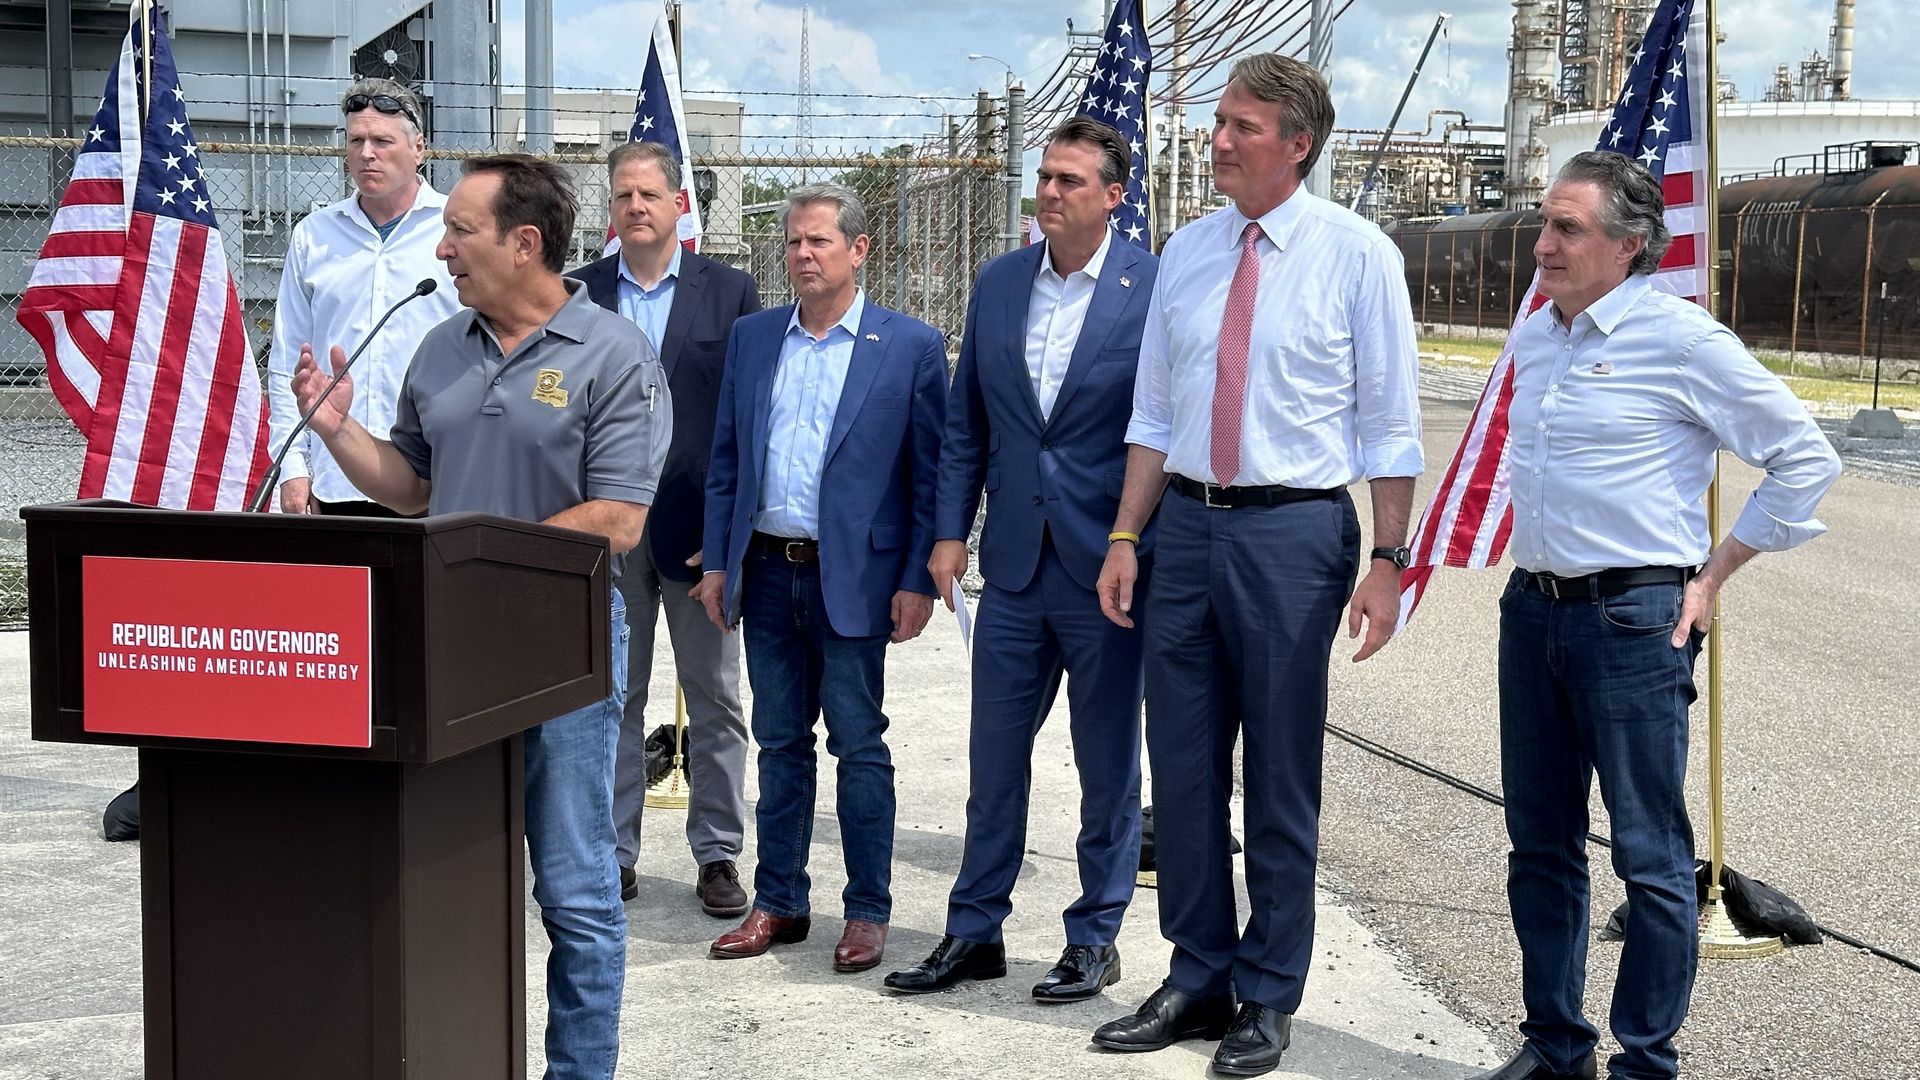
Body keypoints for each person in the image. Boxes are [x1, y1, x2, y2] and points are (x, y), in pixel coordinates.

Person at [291, 153, 670, 1080]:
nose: (444, 247)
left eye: (461, 230)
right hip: (445, 649)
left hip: (560, 654)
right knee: (443, 871)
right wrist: (339, 432)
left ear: (525, 242)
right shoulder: (440, 345)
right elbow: (414, 491)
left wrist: (480, 553)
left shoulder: (614, 354)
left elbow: (618, 519)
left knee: (575, 888)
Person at [1468, 151, 1841, 1080]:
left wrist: (1711, 578)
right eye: (1544, 225)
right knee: (1540, 846)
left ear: (1630, 246)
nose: (1543, 245)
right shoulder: (1537, 336)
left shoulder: (1681, 342)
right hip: (1535, 611)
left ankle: (1645, 1060)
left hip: (1634, 620)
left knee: (1650, 854)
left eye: (1567, 229)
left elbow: (1805, 458)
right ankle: (1555, 1046)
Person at [1091, 54, 1423, 1077]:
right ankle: (1197, 974)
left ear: (1296, 144)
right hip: (1182, 529)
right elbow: (1154, 413)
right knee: (1184, 769)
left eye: (1240, 126)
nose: (1219, 140)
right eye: (1219, 122)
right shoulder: (1187, 254)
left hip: (1294, 536)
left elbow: (1390, 426)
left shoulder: (1358, 255)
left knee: (1280, 775)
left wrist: (1387, 560)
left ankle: (1269, 992)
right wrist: (1124, 535)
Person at [883, 117, 1158, 1002]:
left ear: (1114, 196)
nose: (1047, 192)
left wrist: (1130, 538)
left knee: (1106, 762)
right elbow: (970, 421)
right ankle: (975, 931)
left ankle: (1095, 935)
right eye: (1044, 176)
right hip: (1010, 568)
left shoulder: (1150, 289)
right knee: (993, 759)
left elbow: (1161, 429)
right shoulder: (1001, 284)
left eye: (1070, 181)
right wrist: (948, 530)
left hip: (1106, 567)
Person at [696, 183, 946, 975]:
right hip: (767, 571)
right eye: (794, 242)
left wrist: (915, 577)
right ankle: (780, 901)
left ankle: (868, 910)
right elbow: (727, 460)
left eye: (819, 242)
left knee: (860, 745)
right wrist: (717, 562)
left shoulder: (907, 347)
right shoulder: (755, 338)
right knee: (778, 743)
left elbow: (927, 475)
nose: (803, 255)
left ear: (858, 250)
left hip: (855, 581)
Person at [569, 140, 762, 919]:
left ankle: (717, 853)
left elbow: (745, 422)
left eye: (650, 194)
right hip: (604, 537)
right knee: (610, 696)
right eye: (623, 196)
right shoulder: (576, 293)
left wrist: (726, 535)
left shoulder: (731, 292)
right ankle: (612, 853)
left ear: (682, 205)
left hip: (695, 535)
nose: (635, 207)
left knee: (714, 696)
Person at [267, 77, 458, 515]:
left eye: (382, 140)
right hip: (336, 481)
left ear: (419, 148)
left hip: (435, 479)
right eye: (356, 140)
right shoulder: (314, 236)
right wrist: (292, 466)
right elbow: (287, 365)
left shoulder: (455, 228)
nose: (367, 153)